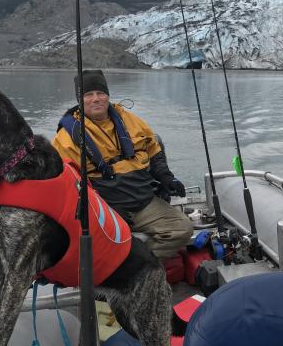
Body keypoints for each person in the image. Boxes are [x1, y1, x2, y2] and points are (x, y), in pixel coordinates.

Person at [52, 69, 193, 261]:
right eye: (88, 94)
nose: (96, 99)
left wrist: (166, 177)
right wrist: (103, 210)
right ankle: (125, 270)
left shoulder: (131, 120)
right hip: (106, 208)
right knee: (102, 245)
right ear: (80, 100)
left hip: (143, 201)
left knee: (182, 229)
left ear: (107, 95)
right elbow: (68, 185)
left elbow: (153, 149)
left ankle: (140, 268)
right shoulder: (66, 138)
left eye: (101, 93)